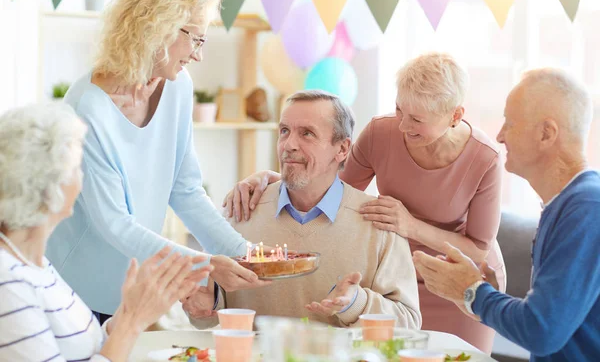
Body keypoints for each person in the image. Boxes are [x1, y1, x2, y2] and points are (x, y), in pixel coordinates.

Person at [223, 53, 505, 352]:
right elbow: (330, 180)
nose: (403, 126)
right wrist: (273, 178)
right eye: (400, 110)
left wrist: (410, 226)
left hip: (457, 279)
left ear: (455, 116)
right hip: (396, 271)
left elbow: (479, 248)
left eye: (417, 120)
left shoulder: (485, 158)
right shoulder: (381, 132)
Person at [46, 0, 267, 325]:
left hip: (132, 285)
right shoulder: (87, 106)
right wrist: (206, 265)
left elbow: (186, 191)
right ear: (159, 26)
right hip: (74, 288)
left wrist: (246, 254)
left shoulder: (178, 87)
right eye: (195, 37)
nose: (198, 53)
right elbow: (114, 222)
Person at [182, 91, 421, 329]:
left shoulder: (380, 223)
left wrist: (355, 304)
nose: (289, 145)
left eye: (307, 133)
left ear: (342, 149)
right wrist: (205, 305)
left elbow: (409, 324)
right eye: (284, 131)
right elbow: (210, 305)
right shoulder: (242, 207)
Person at [0, 104, 213, 362]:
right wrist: (132, 322)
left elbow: (86, 348)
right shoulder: (8, 282)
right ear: (49, 185)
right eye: (78, 168)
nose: (84, 179)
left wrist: (129, 310)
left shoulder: (36, 264)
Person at [413, 68, 600, 362]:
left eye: (510, 123)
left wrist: (471, 291)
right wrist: (478, 292)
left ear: (546, 133)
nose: (499, 136)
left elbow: (541, 331)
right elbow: (543, 320)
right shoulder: (568, 205)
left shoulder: (587, 207)